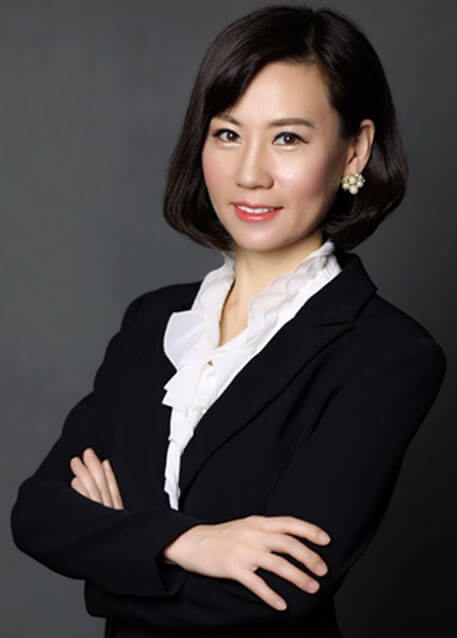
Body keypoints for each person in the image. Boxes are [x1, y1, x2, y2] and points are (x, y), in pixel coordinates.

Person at [10, 5, 447, 638]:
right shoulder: (153, 322)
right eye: (227, 133)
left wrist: (112, 556)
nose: (250, 173)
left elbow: (274, 592)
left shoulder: (387, 354)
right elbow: (38, 514)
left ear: (354, 150)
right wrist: (190, 544)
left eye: (288, 138)